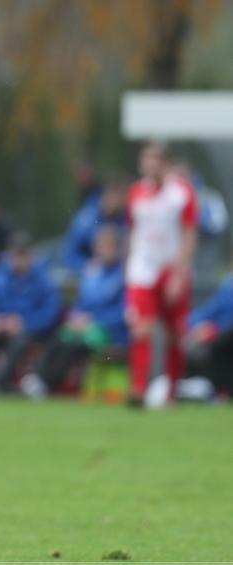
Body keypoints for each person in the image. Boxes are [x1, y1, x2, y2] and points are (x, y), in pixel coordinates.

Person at [125, 142, 197, 407]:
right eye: (146, 160)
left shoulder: (181, 193)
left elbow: (189, 233)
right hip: (144, 268)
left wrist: (180, 272)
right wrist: (129, 265)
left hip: (171, 267)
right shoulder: (136, 193)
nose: (148, 165)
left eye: (154, 159)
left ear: (165, 162)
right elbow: (133, 232)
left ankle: (171, 391)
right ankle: (139, 389)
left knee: (174, 333)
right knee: (142, 328)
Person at [22, 225, 127, 398]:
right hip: (87, 330)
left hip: (113, 335)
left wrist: (95, 321)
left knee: (73, 346)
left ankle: (45, 383)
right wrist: (77, 318)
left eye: (107, 246)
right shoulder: (92, 274)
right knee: (59, 337)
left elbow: (124, 311)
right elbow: (81, 304)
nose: (103, 250)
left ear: (117, 248)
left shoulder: (125, 275)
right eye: (100, 246)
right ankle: (39, 379)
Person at [0, 232, 62, 393]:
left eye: (23, 255)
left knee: (19, 342)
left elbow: (51, 312)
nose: (19, 260)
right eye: (16, 255)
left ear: (31, 255)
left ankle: (0, 383)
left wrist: (24, 322)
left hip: (30, 329)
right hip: (2, 327)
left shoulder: (44, 279)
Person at [179, 268, 233, 399]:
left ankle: (221, 391)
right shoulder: (229, 285)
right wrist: (186, 325)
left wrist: (213, 330)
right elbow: (210, 310)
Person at [62, 176, 128, 272]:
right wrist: (87, 265)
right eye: (117, 197)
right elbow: (69, 255)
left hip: (117, 271)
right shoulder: (86, 219)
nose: (120, 202)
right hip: (89, 274)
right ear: (107, 196)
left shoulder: (122, 218)